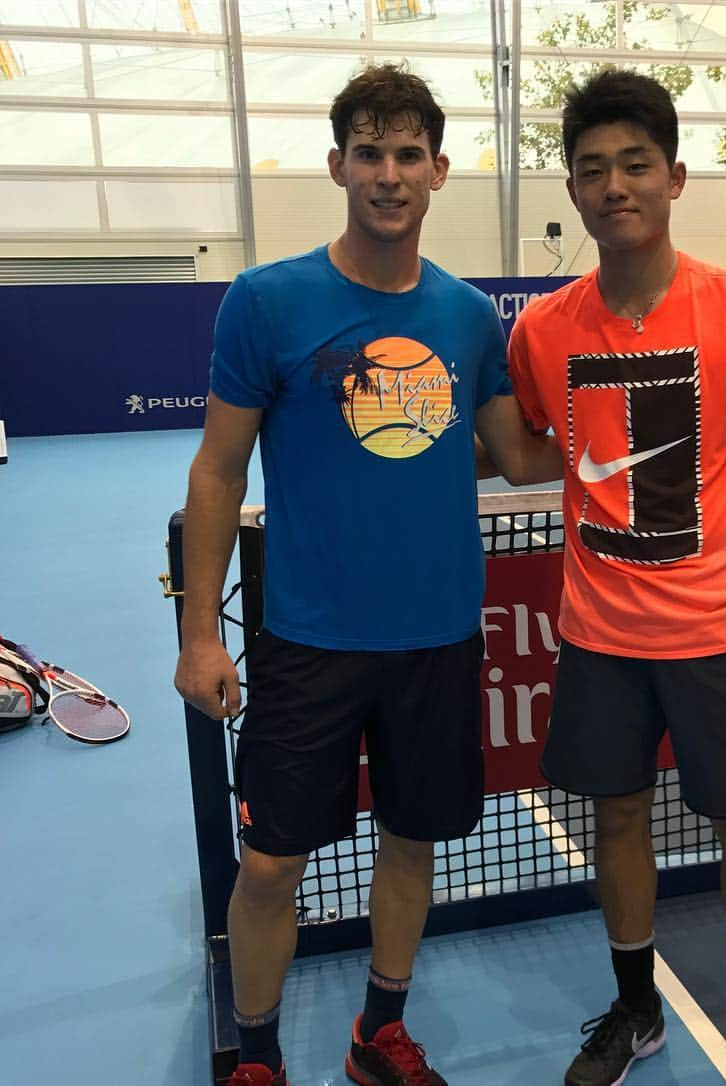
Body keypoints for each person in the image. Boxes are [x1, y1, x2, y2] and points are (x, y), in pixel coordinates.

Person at [174, 64, 559, 1086]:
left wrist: (664, 433)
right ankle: (257, 1057)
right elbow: (217, 471)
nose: (389, 175)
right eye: (370, 154)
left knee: (412, 844)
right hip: (307, 640)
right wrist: (200, 635)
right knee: (269, 869)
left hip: (436, 637)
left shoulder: (470, 319)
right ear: (340, 164)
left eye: (409, 156)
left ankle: (376, 1034)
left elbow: (518, 456)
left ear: (438, 171)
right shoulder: (265, 301)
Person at [505, 70, 726, 1086]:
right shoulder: (541, 330)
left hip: (722, 633)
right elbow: (514, 448)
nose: (615, 186)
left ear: (675, 177)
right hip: (599, 637)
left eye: (635, 164)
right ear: (574, 190)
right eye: (592, 169)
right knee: (620, 820)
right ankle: (636, 1011)